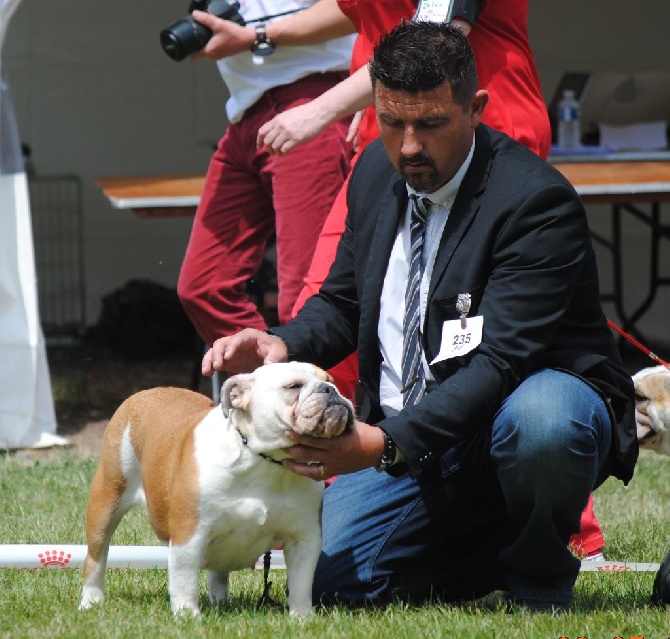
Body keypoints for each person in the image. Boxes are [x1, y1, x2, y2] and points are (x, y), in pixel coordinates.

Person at [203, 22, 637, 610]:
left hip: (510, 416)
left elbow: (499, 363)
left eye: (430, 124)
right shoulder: (375, 174)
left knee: (544, 422)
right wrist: (283, 343)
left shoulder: (536, 201)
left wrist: (381, 442)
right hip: (417, 439)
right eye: (392, 123)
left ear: (476, 107)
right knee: (337, 588)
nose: (409, 145)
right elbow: (343, 302)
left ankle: (538, 577)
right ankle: (488, 548)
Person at [177, 0, 356, 346]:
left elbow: (354, 10)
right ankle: (270, 391)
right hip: (245, 115)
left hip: (309, 102)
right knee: (204, 288)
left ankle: (318, 397)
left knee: (305, 302)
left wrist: (255, 35)